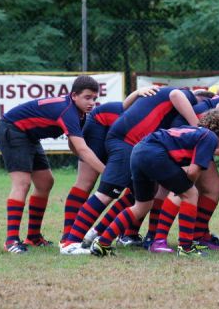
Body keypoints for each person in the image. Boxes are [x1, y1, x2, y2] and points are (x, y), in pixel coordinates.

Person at [60, 86, 200, 254]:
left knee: (142, 198)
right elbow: (176, 94)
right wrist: (198, 126)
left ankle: (96, 233)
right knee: (106, 191)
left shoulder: (172, 109)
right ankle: (70, 241)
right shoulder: (187, 96)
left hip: (135, 145)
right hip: (124, 140)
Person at [90, 109, 219, 257]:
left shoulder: (194, 131)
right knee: (191, 194)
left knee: (142, 206)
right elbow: (192, 172)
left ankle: (102, 243)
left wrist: (181, 186)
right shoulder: (209, 137)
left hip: (138, 151)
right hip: (154, 153)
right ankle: (186, 248)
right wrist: (184, 188)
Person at [0, 75, 105, 254]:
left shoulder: (80, 113)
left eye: (94, 98)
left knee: (46, 182)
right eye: (87, 97)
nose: (91, 102)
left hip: (29, 135)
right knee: (22, 184)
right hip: (12, 129)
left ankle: (33, 236)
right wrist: (107, 172)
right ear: (74, 95)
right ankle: (11, 240)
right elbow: (82, 149)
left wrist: (91, 163)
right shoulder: (68, 111)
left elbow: (74, 146)